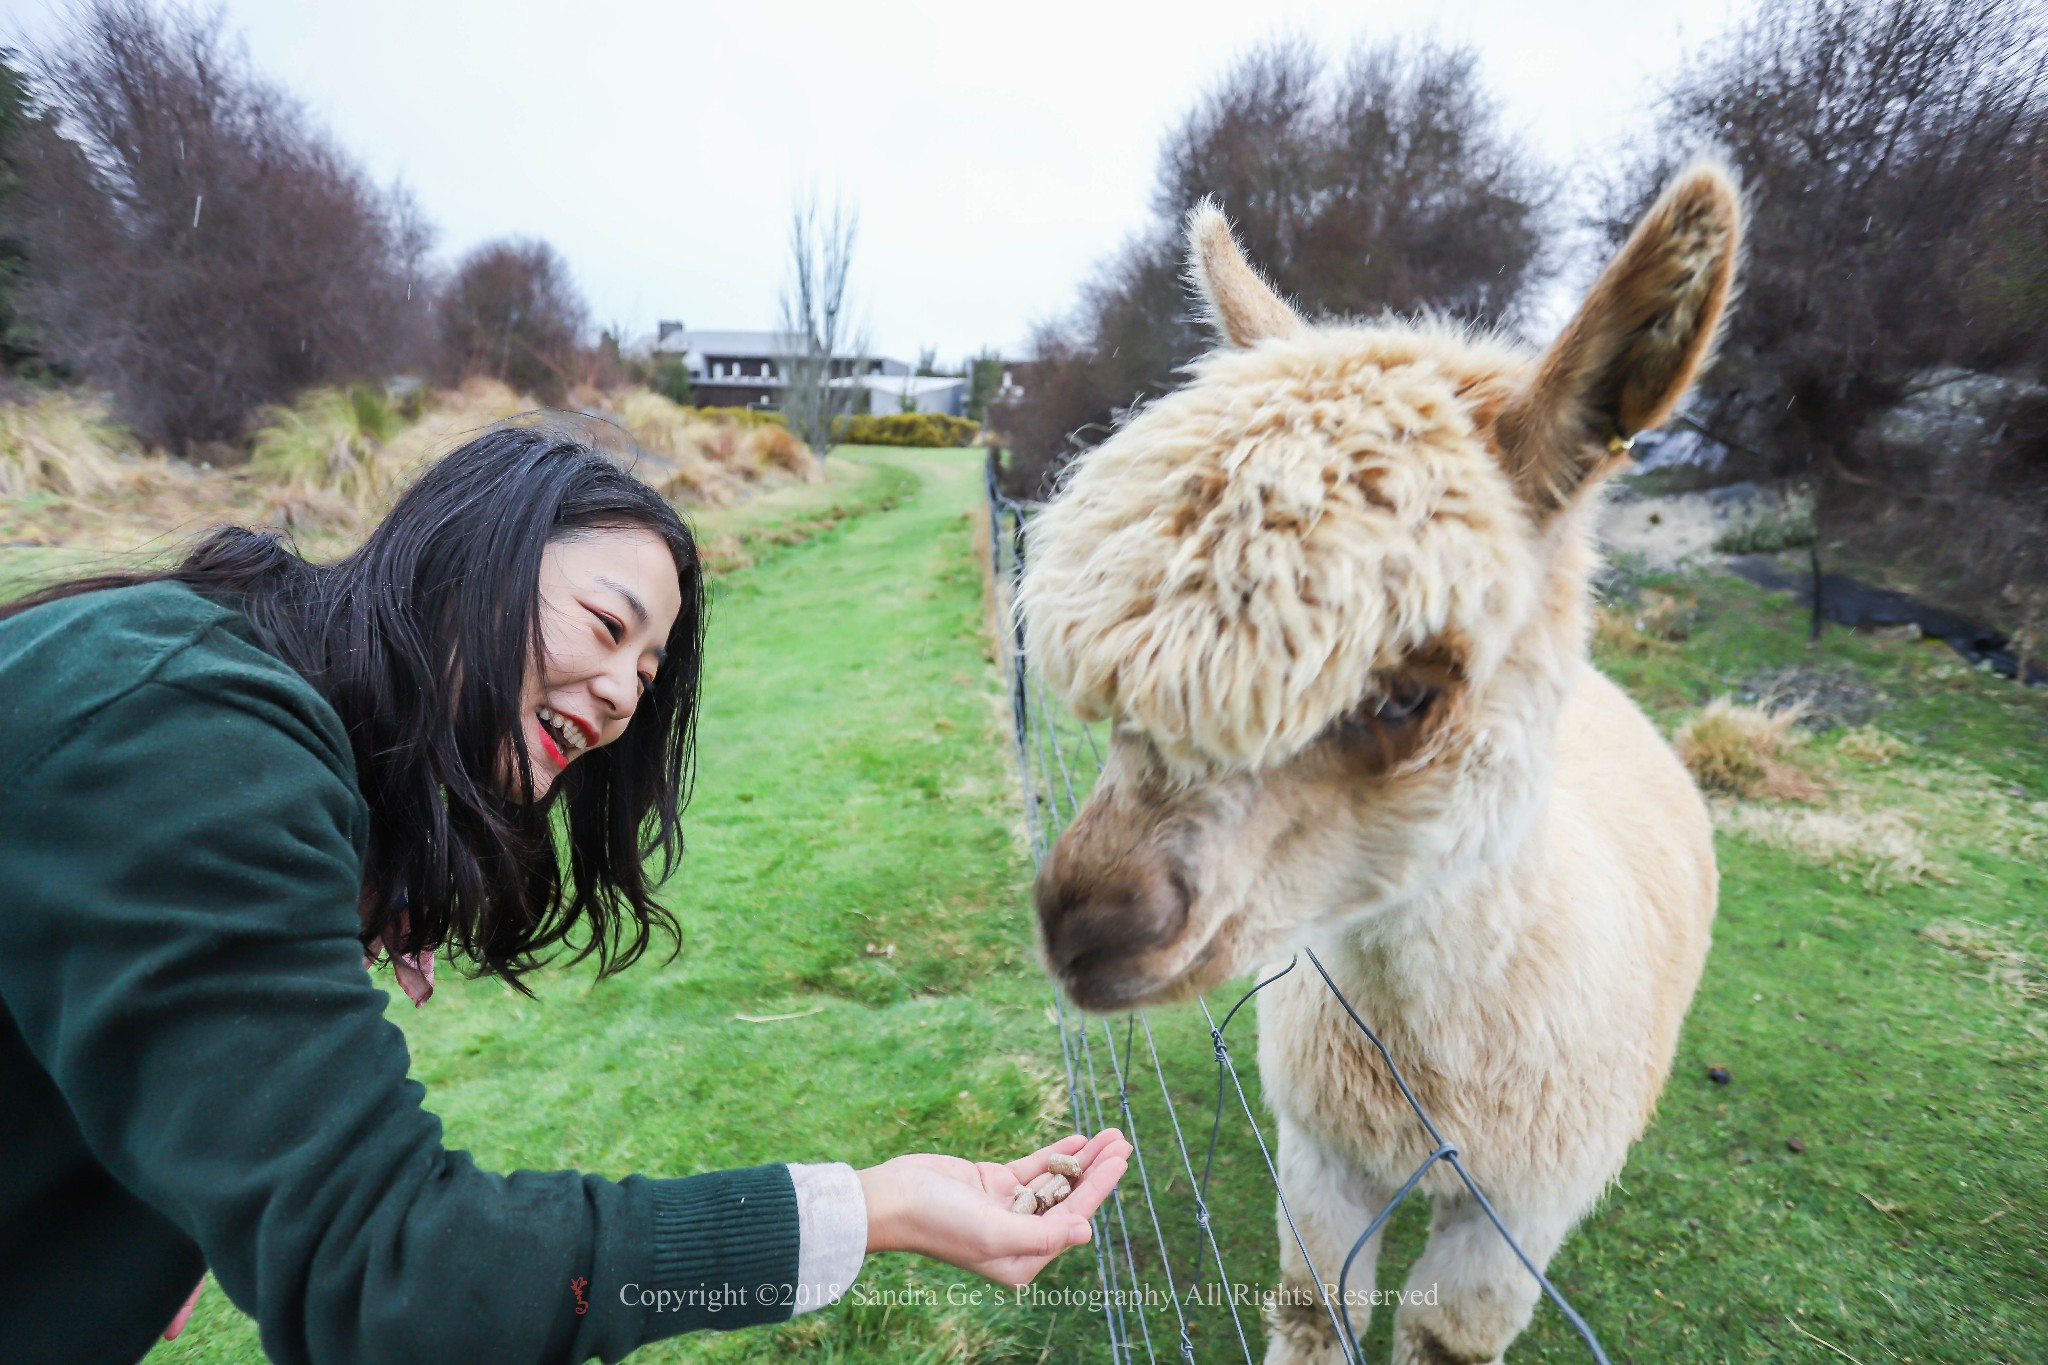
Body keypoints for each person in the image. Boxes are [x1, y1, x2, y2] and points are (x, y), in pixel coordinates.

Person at [0, 423, 1130, 1364]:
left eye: (647, 673)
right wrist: (865, 1210)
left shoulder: (219, 700)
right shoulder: (186, 746)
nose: (623, 697)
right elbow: (398, 1275)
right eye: (606, 626)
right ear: (471, 554)